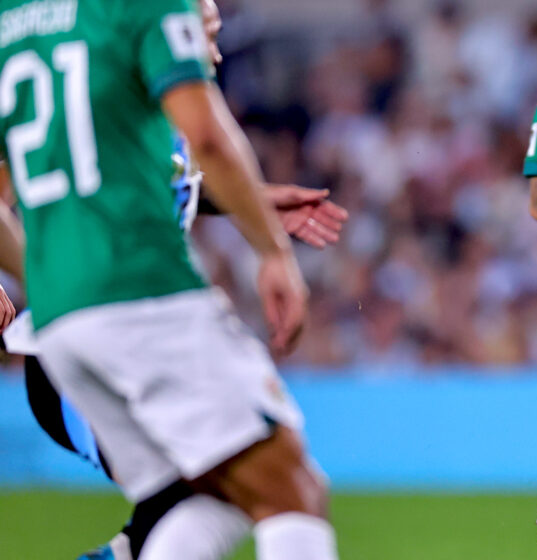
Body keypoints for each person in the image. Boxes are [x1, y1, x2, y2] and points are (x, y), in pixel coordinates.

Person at [2, 6, 348, 559]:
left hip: (61, 329)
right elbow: (207, 135)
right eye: (205, 33)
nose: (208, 52)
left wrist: (246, 199)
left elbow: (116, 177)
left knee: (195, 500)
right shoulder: (140, 13)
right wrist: (271, 251)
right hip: (139, 298)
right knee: (291, 489)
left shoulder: (22, 28)